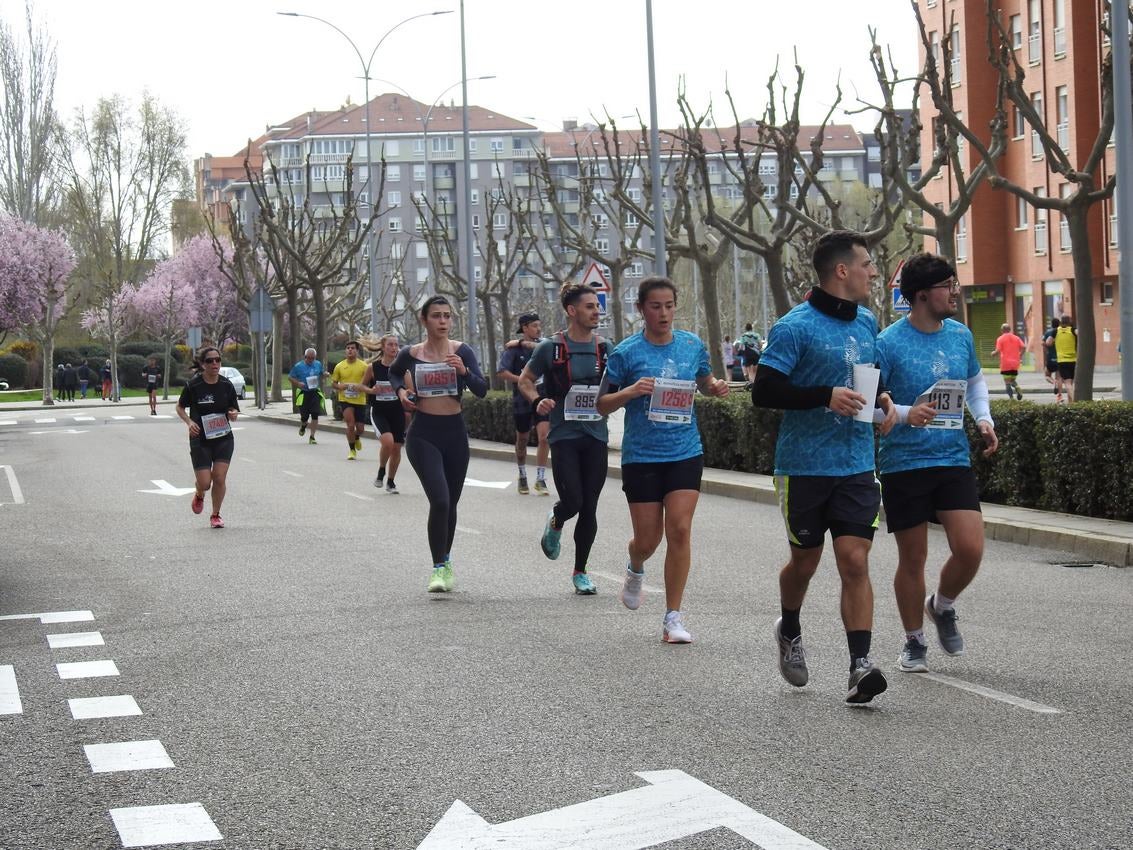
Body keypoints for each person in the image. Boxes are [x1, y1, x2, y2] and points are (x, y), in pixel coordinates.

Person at [752, 229, 897, 704]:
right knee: (805, 563)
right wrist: (823, 397)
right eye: (866, 264)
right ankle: (789, 627)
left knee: (854, 560)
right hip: (804, 467)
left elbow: (865, 381)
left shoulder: (867, 323)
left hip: (855, 463)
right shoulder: (795, 327)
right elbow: (764, 391)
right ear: (842, 271)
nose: (872, 272)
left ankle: (860, 665)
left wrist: (884, 402)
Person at [876, 252, 999, 674]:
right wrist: (908, 413)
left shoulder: (960, 335)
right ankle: (913, 641)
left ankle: (942, 605)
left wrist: (983, 418)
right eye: (949, 286)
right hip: (904, 462)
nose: (955, 293)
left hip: (951, 458)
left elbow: (974, 381)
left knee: (970, 548)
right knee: (913, 559)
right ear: (923, 295)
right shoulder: (887, 343)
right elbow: (873, 408)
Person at [597, 276, 729, 643]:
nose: (664, 313)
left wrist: (715, 387)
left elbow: (704, 381)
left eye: (669, 306)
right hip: (642, 457)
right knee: (648, 539)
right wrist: (631, 390)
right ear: (641, 309)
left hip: (685, 450)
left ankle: (673, 618)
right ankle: (636, 565)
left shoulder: (691, 345)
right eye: (656, 306)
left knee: (681, 530)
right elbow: (601, 404)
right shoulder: (625, 353)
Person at [518, 283, 614, 595]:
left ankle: (580, 572)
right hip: (564, 435)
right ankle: (557, 519)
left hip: (596, 435)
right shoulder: (551, 347)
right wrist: (537, 401)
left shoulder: (605, 347)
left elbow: (618, 383)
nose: (596, 311)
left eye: (597, 306)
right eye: (589, 307)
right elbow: (525, 380)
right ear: (572, 311)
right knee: (573, 500)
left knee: (590, 507)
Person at [390, 296, 488, 592]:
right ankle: (438, 568)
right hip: (423, 435)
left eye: (447, 316)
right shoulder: (411, 353)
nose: (443, 321)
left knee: (451, 503)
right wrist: (401, 394)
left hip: (455, 434)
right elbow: (394, 373)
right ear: (424, 320)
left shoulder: (463, 351)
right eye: (436, 316)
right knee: (440, 500)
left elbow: (482, 389)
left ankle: (445, 561)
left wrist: (464, 372)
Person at [176, 346, 240, 529]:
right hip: (200, 438)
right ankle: (199, 493)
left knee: (219, 478)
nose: (215, 363)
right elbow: (180, 407)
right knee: (205, 483)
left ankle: (215, 514)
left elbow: (232, 408)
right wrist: (189, 422)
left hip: (223, 437)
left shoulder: (226, 385)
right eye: (210, 360)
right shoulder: (193, 385)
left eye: (218, 360)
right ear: (203, 364)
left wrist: (233, 413)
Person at [497, 312, 551, 495]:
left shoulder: (543, 346)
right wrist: (523, 380)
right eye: (534, 325)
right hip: (521, 400)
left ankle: (541, 478)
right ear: (525, 328)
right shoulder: (512, 351)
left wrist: (521, 342)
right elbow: (502, 372)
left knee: (545, 437)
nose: (538, 328)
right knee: (522, 439)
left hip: (542, 398)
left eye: (539, 325)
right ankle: (522, 474)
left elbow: (549, 349)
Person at [362, 334, 407, 494]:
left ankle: (391, 481)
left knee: (396, 448)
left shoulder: (402, 369)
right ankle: (381, 471)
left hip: (397, 412)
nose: (394, 348)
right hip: (379, 411)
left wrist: (407, 393)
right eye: (390, 345)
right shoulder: (373, 368)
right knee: (387, 442)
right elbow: (362, 386)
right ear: (383, 347)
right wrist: (371, 390)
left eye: (396, 345)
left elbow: (411, 390)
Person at [331, 340, 368, 460]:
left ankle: (356, 437)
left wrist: (362, 387)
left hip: (360, 399)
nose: (350, 350)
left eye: (352, 348)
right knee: (350, 425)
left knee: (360, 429)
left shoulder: (364, 366)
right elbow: (334, 383)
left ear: (357, 351)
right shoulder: (339, 366)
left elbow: (368, 382)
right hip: (345, 399)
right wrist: (339, 386)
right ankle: (352, 450)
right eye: (348, 348)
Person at [288, 347, 325, 445]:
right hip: (303, 393)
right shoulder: (298, 366)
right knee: (304, 417)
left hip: (314, 392)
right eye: (309, 358)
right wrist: (298, 383)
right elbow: (290, 377)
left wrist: (326, 374)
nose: (311, 360)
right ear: (305, 357)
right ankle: (303, 425)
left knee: (315, 415)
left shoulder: (318, 364)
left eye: (313, 358)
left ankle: (312, 436)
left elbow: (321, 373)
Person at [994, 323, 1026, 401]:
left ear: (1002, 330)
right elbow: (1024, 347)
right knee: (1012, 380)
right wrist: (1020, 355)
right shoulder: (1016, 338)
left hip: (1005, 364)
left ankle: (1011, 399)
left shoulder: (1000, 339)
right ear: (1010, 329)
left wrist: (993, 354)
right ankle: (1017, 388)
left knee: (1007, 383)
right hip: (1015, 363)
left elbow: (997, 351)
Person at [1054, 314, 1077, 403]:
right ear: (1069, 321)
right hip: (1073, 360)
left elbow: (1048, 342)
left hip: (1062, 361)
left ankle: (1075, 401)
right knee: (1071, 383)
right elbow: (1080, 333)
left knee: (1067, 383)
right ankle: (1071, 404)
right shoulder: (1072, 330)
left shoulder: (1056, 331)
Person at [1042, 318, 1061, 399]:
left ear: (1051, 324)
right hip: (1060, 357)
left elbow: (1043, 343)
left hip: (1050, 357)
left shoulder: (1047, 332)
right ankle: (1059, 397)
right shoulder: (1061, 332)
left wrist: (1046, 351)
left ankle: (1053, 383)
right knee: (1059, 377)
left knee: (1047, 375)